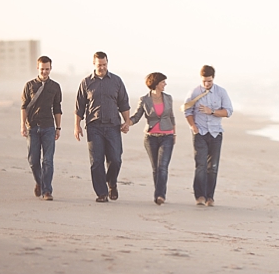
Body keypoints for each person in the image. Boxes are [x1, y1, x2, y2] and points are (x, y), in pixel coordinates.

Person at [74, 51, 131, 203]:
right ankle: (101, 193)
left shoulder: (116, 81)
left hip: (113, 126)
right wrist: (77, 126)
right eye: (99, 65)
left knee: (116, 159)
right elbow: (79, 107)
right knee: (96, 161)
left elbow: (124, 103)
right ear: (94, 64)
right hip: (94, 126)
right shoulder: (86, 83)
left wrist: (127, 122)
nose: (102, 67)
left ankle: (112, 182)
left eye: (104, 65)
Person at [183, 65, 233, 206]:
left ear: (213, 79)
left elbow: (228, 111)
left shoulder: (221, 92)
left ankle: (210, 197)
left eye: (209, 81)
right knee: (201, 165)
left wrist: (211, 111)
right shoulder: (194, 92)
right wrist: (193, 126)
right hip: (200, 132)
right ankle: (200, 196)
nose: (206, 84)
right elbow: (187, 111)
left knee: (213, 167)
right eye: (204, 81)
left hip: (216, 133)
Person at [130, 72, 176, 205]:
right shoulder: (145, 100)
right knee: (155, 168)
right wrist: (128, 123)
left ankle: (160, 195)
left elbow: (171, 117)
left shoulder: (168, 98)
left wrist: (174, 133)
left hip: (167, 136)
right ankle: (159, 193)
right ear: (156, 84)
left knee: (163, 167)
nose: (165, 84)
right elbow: (137, 116)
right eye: (163, 82)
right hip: (150, 138)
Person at [21, 55, 63, 201]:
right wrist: (23, 126)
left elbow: (57, 108)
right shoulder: (29, 85)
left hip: (49, 127)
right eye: (42, 69)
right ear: (37, 68)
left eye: (47, 69)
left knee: (48, 160)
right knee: (33, 161)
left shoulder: (55, 87)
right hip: (32, 127)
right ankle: (39, 182)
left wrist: (58, 128)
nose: (44, 72)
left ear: (50, 69)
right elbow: (24, 107)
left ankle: (47, 191)